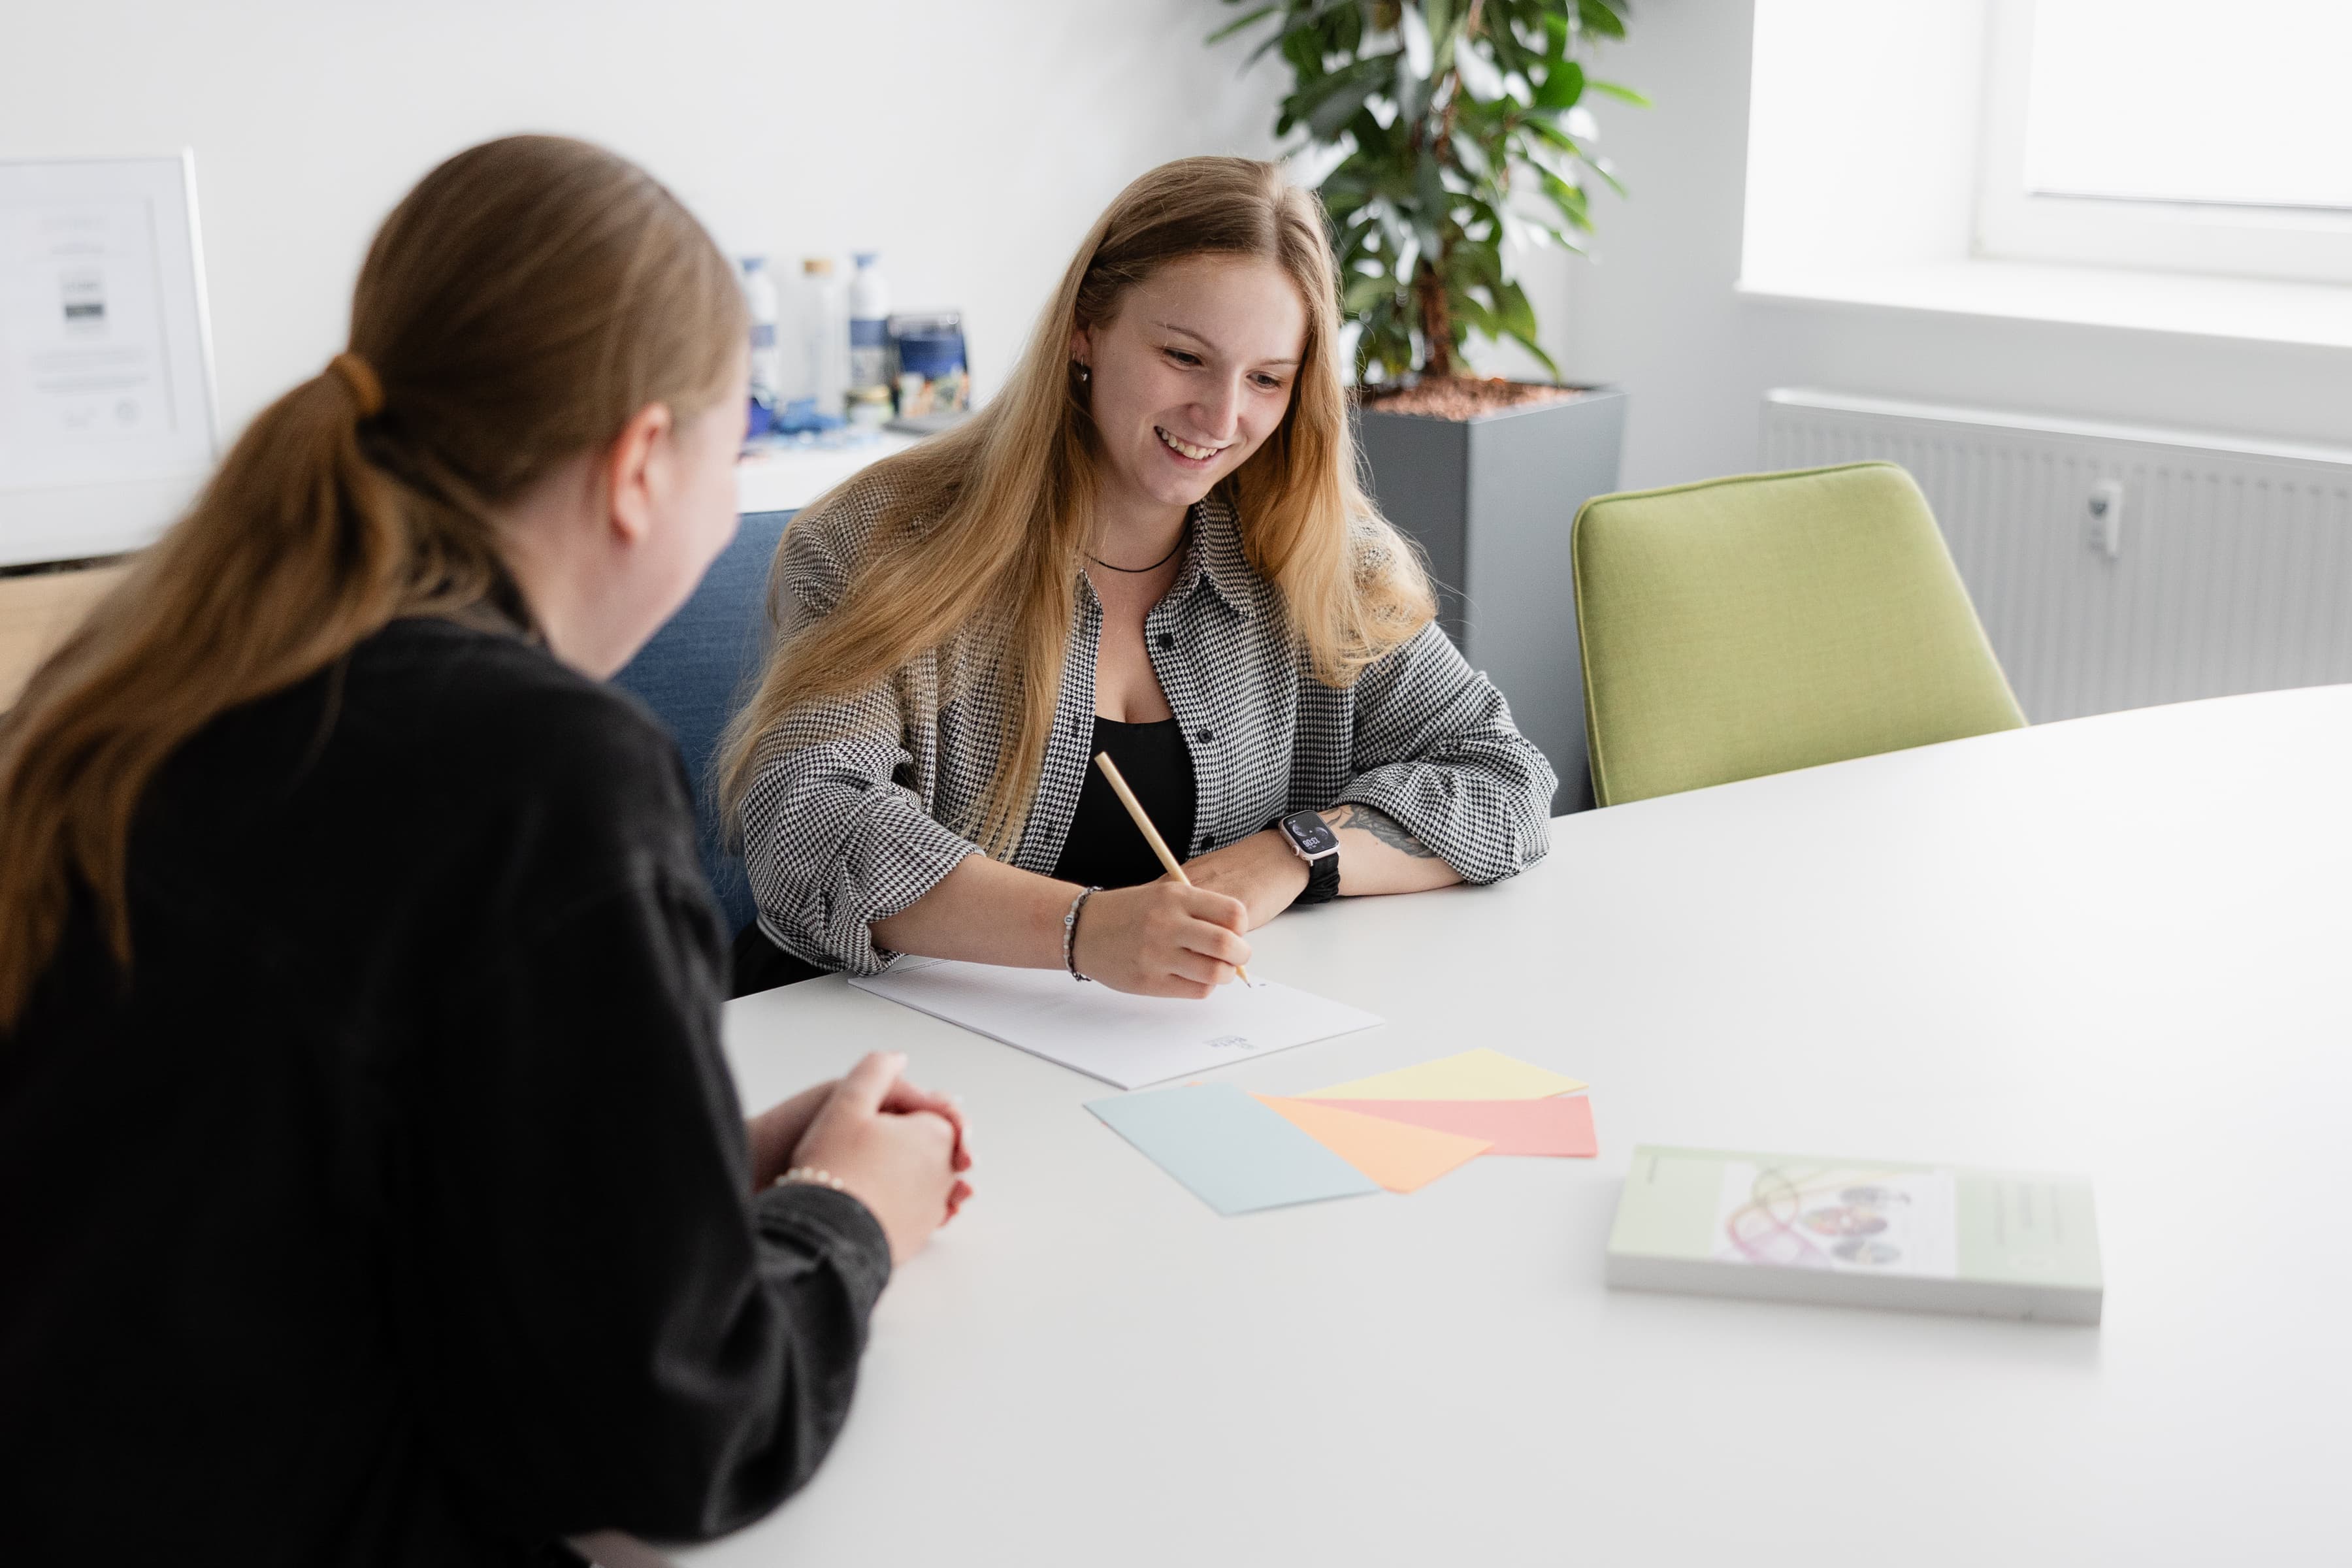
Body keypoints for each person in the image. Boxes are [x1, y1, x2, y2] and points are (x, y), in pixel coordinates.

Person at [0, 135, 970, 1567]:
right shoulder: (541, 771)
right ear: (643, 461)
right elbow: (669, 1442)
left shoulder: (132, 677)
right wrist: (848, 1217)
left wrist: (682, 1179)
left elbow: (284, 1178)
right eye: (734, 449)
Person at [723, 156, 1556, 999]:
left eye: (1266, 379)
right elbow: (807, 826)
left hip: (1162, 1056)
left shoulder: (1320, 560)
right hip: (870, 1051)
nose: (1223, 418)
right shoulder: (875, 542)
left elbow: (1506, 778)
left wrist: (1292, 853)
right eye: (1185, 357)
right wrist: (1085, 930)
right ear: (1086, 328)